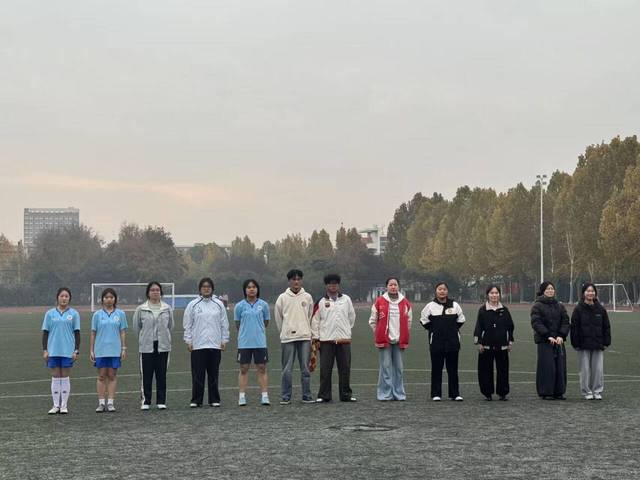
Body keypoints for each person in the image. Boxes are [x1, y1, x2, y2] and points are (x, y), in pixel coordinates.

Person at [183, 277, 230, 407]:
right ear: (200, 289)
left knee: (213, 373)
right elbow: (187, 324)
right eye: (204, 286)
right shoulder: (193, 304)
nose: (206, 289)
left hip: (215, 344)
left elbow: (224, 323)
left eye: (208, 286)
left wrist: (224, 340)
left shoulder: (219, 304)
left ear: (212, 289)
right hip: (198, 345)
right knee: (197, 374)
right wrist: (188, 341)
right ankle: (196, 400)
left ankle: (214, 399)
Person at [311, 274, 357, 403]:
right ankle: (324, 395)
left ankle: (346, 395)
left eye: (335, 283)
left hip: (344, 340)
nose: (333, 286)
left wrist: (345, 330)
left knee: (345, 369)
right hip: (326, 341)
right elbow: (315, 321)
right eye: (330, 283)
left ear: (338, 285)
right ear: (326, 285)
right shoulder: (320, 302)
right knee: (325, 369)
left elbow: (351, 317)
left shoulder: (346, 299)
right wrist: (316, 338)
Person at [274, 269, 315, 405]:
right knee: (287, 369)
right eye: (293, 279)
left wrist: (307, 331)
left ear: (301, 280)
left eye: (298, 279)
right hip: (288, 338)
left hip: (304, 337)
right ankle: (286, 396)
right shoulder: (282, 298)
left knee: (305, 369)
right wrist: (284, 332)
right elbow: (278, 318)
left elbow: (310, 316)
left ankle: (306, 396)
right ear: (289, 281)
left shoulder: (307, 297)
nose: (296, 282)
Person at [132, 281, 174, 410]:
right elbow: (137, 327)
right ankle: (146, 401)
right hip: (146, 346)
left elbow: (170, 326)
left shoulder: (167, 308)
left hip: (163, 346)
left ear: (161, 292)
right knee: (146, 374)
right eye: (152, 290)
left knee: (161, 374)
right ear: (148, 293)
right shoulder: (141, 309)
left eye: (157, 290)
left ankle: (161, 401)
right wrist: (144, 339)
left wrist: (163, 337)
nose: (155, 292)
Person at [420, 282, 466, 401]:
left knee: (453, 369)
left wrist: (452, 330)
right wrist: (434, 330)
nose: (442, 291)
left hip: (453, 343)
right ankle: (436, 394)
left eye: (444, 289)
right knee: (436, 369)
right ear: (436, 291)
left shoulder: (455, 305)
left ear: (447, 291)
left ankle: (455, 394)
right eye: (440, 289)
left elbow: (461, 320)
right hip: (436, 343)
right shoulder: (430, 306)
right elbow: (423, 320)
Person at [369, 277, 412, 401]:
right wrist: (379, 333)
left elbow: (409, 321)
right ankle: (385, 394)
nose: (393, 287)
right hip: (385, 341)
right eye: (390, 285)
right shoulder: (379, 302)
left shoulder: (405, 303)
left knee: (399, 369)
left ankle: (399, 394)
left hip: (399, 341)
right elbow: (373, 321)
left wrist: (403, 334)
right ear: (386, 287)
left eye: (395, 285)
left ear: (398, 287)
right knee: (386, 368)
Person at [42, 287, 80, 414]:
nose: (64, 298)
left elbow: (77, 333)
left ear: (69, 299)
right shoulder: (50, 314)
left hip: (67, 351)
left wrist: (76, 350)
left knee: (65, 376)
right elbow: (45, 333)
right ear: (57, 297)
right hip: (53, 350)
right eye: (62, 296)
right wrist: (45, 350)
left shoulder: (74, 314)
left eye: (66, 296)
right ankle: (55, 405)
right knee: (55, 376)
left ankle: (64, 405)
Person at [570, 283, 611, 400]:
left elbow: (606, 327)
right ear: (583, 293)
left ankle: (597, 391)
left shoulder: (601, 309)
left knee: (598, 370)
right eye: (588, 291)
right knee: (585, 370)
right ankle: (587, 391)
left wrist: (606, 342)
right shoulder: (578, 309)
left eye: (592, 291)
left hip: (598, 344)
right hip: (583, 345)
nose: (590, 293)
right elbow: (574, 328)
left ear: (595, 293)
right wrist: (575, 343)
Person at [473, 285, 514, 401]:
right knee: (485, 370)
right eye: (492, 293)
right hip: (486, 346)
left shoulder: (505, 310)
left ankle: (502, 392)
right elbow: (478, 327)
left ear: (499, 294)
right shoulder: (483, 310)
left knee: (503, 370)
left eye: (496, 293)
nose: (494, 295)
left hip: (502, 346)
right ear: (488, 295)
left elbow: (510, 327)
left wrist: (510, 342)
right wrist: (479, 343)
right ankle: (487, 393)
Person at [90, 288, 128, 412]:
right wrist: (91, 350)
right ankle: (101, 403)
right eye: (106, 297)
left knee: (112, 375)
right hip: (100, 350)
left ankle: (110, 403)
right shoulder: (97, 315)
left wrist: (123, 348)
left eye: (111, 297)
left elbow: (122, 332)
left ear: (115, 299)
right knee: (101, 376)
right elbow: (93, 333)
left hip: (114, 350)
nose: (109, 300)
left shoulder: (120, 314)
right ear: (102, 299)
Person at [531, 281, 570, 400]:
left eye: (552, 289)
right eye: (547, 289)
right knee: (547, 367)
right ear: (543, 291)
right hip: (545, 341)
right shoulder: (537, 306)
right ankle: (546, 392)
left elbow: (565, 321)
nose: (550, 291)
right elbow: (536, 323)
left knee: (560, 367)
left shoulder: (560, 306)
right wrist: (547, 335)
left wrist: (561, 335)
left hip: (558, 341)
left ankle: (559, 391)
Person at [234, 279, 271, 406]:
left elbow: (266, 322)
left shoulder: (264, 305)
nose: (251, 289)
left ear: (257, 289)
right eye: (249, 287)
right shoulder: (239, 306)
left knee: (262, 368)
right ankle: (242, 396)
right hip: (244, 343)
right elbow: (238, 324)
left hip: (260, 342)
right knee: (244, 369)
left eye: (254, 287)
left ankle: (264, 396)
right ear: (245, 290)